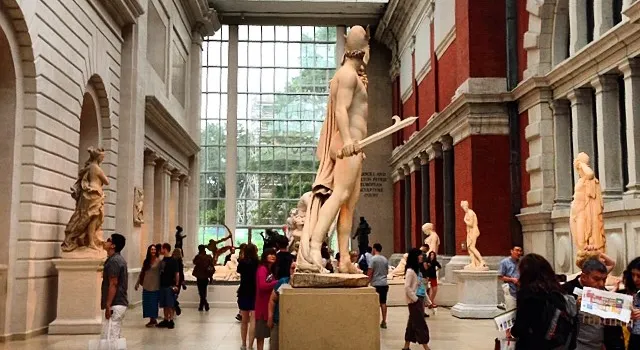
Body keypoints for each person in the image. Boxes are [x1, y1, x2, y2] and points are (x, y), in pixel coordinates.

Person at [510, 253, 577, 349]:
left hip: (533, 343)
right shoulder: (557, 290)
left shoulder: (528, 293)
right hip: (557, 343)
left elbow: (521, 327)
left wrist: (512, 330)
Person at [563, 258, 625, 349]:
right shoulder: (566, 290)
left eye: (604, 280)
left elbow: (613, 325)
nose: (601, 284)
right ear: (584, 277)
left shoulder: (602, 291)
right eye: (596, 279)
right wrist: (575, 307)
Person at [100, 233, 128, 340]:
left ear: (113, 245)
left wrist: (108, 305)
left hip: (115, 303)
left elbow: (113, 283)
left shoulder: (114, 261)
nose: (105, 242)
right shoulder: (115, 259)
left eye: (108, 240)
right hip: (117, 303)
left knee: (110, 337)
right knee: (113, 335)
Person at [403, 248, 430, 350]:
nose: (421, 256)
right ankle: (426, 347)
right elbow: (407, 287)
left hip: (418, 299)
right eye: (419, 255)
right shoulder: (410, 271)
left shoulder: (416, 270)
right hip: (414, 301)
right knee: (420, 323)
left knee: (412, 323)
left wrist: (427, 300)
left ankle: (406, 346)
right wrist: (415, 299)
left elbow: (421, 286)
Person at [268, 262, 297, 350]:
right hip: (278, 321)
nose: (294, 271)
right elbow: (272, 300)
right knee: (274, 345)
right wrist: (270, 317)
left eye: (297, 269)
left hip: (294, 324)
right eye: (292, 268)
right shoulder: (283, 282)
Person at [255, 248, 278, 350]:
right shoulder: (262, 269)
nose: (273, 256)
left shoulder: (270, 270)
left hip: (268, 305)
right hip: (262, 307)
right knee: (260, 335)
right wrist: (277, 282)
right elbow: (262, 285)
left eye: (274, 254)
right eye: (270, 254)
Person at [237, 243, 259, 350]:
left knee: (244, 320)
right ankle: (250, 345)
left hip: (243, 291)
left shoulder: (242, 262)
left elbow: (238, 271)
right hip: (255, 292)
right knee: (253, 320)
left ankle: (243, 344)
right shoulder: (257, 263)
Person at [135, 244, 161, 327]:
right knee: (147, 303)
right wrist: (137, 283)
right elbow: (142, 272)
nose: (153, 251)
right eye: (151, 249)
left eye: (154, 249)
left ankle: (154, 319)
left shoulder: (159, 261)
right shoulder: (146, 261)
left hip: (155, 285)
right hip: (146, 284)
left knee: (153, 303)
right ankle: (151, 319)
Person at [157, 243, 179, 329]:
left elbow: (177, 273)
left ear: (165, 249)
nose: (160, 250)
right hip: (162, 285)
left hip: (170, 285)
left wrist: (176, 284)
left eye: (162, 248)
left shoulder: (173, 261)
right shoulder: (162, 260)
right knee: (164, 304)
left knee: (170, 304)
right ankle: (166, 319)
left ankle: (171, 320)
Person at [368, 243, 389, 329]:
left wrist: (367, 281)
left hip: (376, 283)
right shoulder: (385, 259)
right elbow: (387, 271)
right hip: (384, 283)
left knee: (375, 303)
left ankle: (374, 321)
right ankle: (384, 321)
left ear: (374, 249)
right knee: (383, 303)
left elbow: (370, 271)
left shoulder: (373, 259)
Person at [498, 245, 523, 310]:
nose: (519, 253)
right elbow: (500, 277)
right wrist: (512, 279)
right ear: (511, 251)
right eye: (517, 250)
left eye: (520, 251)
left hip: (521, 290)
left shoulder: (521, 262)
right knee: (511, 310)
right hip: (510, 290)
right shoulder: (504, 262)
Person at [623, 257, 640, 348]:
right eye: (633, 275)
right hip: (635, 337)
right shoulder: (633, 292)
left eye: (639, 276)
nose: (635, 279)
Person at [193, 244, 214, 311]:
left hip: (200, 276)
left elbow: (194, 262)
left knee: (201, 292)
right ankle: (202, 305)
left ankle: (204, 304)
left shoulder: (198, 257)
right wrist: (211, 277)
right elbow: (211, 267)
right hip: (206, 276)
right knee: (204, 292)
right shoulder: (208, 257)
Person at [171, 248, 186, 316]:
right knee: (175, 294)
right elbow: (181, 272)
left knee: (171, 295)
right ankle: (175, 306)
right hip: (178, 280)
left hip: (171, 279)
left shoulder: (171, 260)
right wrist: (182, 281)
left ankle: (174, 306)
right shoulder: (180, 261)